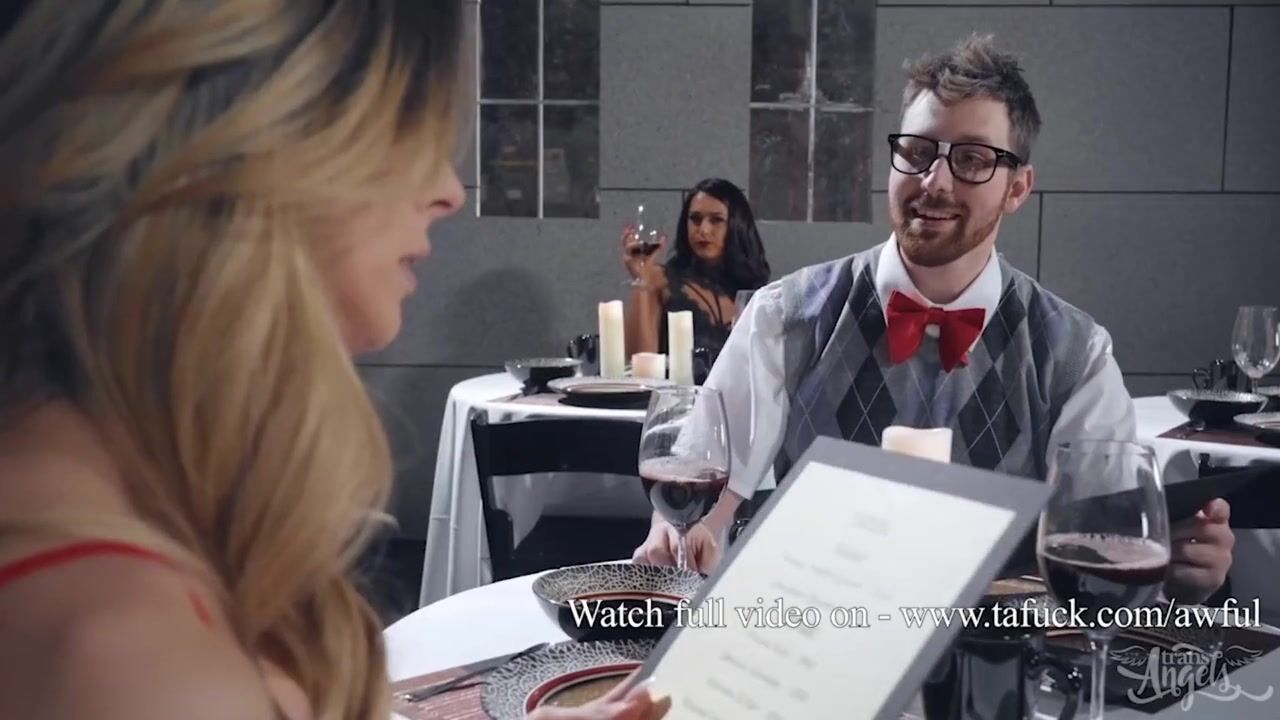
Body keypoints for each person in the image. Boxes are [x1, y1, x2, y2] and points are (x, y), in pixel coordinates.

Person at [0, 2, 666, 719]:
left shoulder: (127, 499)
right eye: (406, 132)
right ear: (259, 152)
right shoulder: (126, 659)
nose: (448, 192)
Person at [632, 34, 1234, 606]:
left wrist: (1181, 575)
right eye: (918, 153)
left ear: (1018, 188)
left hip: (1000, 655)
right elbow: (706, 496)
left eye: (972, 159)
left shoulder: (1077, 354)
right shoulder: (786, 315)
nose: (935, 181)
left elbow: (1107, 548)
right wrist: (675, 532)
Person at [622, 178, 771, 374]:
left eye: (716, 220)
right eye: (695, 219)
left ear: (737, 226)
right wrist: (642, 281)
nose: (703, 230)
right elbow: (638, 365)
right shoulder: (661, 280)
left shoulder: (753, 291)